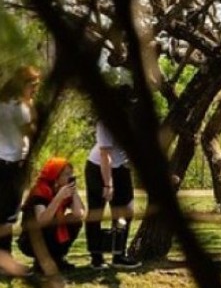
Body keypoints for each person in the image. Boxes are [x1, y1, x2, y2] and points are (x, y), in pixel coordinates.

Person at [85, 111, 141, 269]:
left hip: (121, 168)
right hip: (98, 168)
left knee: (125, 212)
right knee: (96, 212)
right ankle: (96, 258)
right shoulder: (105, 122)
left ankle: (119, 255)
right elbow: (105, 155)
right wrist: (108, 185)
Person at [18, 157, 85, 274]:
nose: (71, 177)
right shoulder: (40, 191)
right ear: (56, 176)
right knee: (51, 223)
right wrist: (58, 197)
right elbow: (42, 220)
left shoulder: (64, 189)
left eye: (71, 174)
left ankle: (58, 258)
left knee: (74, 220)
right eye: (67, 174)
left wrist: (74, 192)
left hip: (54, 233)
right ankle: (41, 261)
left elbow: (79, 214)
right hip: (31, 238)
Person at [0, 66, 39, 262]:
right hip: (12, 165)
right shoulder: (19, 107)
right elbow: (32, 133)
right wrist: (31, 106)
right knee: (8, 216)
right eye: (33, 85)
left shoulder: (3, 103)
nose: (35, 90)